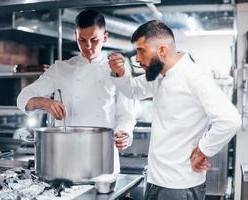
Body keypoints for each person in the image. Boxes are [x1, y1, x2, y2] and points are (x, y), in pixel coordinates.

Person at [108, 20, 241, 200]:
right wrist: (119, 73)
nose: (137, 59)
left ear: (162, 50)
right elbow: (133, 90)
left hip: (179, 187)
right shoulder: (159, 76)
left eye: (141, 51)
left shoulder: (194, 76)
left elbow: (230, 119)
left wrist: (203, 150)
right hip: (157, 179)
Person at [17, 9, 136, 174]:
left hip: (102, 155)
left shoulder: (117, 69)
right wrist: (45, 103)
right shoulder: (61, 68)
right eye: (82, 40)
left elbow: (127, 115)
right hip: (65, 156)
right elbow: (23, 98)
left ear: (105, 37)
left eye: (94, 40)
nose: (88, 46)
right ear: (75, 36)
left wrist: (124, 133)